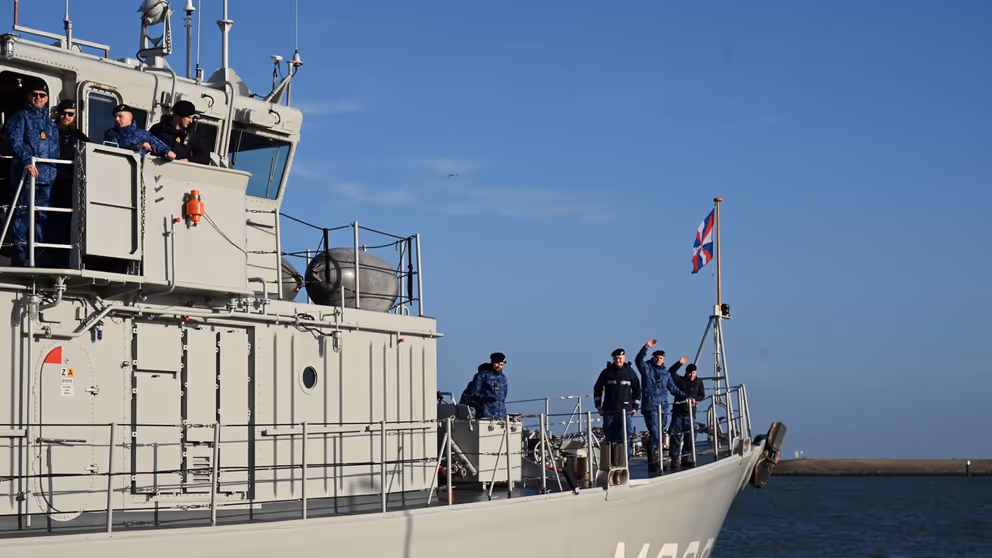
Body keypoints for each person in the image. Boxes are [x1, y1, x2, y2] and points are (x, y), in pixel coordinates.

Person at [5, 76, 60, 266]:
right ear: (29, 97)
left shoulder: (52, 125)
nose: (38, 98)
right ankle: (19, 256)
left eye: (42, 95)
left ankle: (39, 255)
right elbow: (14, 142)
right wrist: (27, 162)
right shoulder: (20, 117)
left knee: (42, 218)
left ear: (46, 98)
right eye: (34, 94)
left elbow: (56, 150)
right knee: (22, 215)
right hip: (27, 175)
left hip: (47, 178)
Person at [634, 339, 688, 476]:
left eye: (661, 358)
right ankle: (652, 462)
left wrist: (687, 398)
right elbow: (638, 360)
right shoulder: (646, 369)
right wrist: (646, 347)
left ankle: (656, 459)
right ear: (653, 358)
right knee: (655, 433)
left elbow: (674, 389)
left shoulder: (666, 373)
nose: (659, 360)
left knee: (660, 433)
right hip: (651, 407)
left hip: (663, 408)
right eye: (657, 357)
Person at [51, 99, 88, 263]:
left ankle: (64, 256)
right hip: (49, 182)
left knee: (67, 222)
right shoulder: (49, 132)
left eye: (70, 114)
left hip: (69, 185)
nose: (66, 117)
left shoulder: (80, 137)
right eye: (63, 113)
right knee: (47, 219)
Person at [593, 348, 641, 465]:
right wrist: (598, 406)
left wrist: (635, 406)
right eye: (615, 359)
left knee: (625, 440)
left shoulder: (630, 373)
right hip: (609, 412)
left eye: (620, 358)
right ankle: (612, 464)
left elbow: (637, 390)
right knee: (610, 439)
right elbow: (597, 389)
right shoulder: (606, 372)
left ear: (624, 358)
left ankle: (625, 465)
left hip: (625, 412)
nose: (618, 360)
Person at [103, 104, 176, 160]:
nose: (117, 119)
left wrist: (167, 152)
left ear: (130, 117)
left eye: (120, 116)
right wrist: (138, 147)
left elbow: (157, 144)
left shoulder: (143, 134)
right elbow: (115, 149)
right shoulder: (111, 134)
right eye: (115, 117)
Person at [149, 100, 211, 164]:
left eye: (192, 118)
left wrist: (188, 160)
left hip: (180, 171)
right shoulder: (158, 129)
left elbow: (204, 159)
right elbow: (145, 143)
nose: (191, 121)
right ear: (178, 116)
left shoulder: (192, 136)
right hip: (156, 167)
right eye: (188, 117)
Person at [669, 363, 705, 471]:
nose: (691, 375)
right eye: (689, 373)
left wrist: (695, 399)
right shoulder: (681, 381)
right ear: (686, 372)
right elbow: (671, 371)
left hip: (690, 414)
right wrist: (679, 363)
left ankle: (685, 457)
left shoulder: (699, 382)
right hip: (678, 413)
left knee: (691, 435)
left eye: (693, 373)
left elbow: (702, 395)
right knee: (675, 435)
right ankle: (674, 459)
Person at [458, 352, 508, 419]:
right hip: (485, 415)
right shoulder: (481, 376)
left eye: (501, 364)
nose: (499, 366)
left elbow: (504, 395)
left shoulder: (503, 378)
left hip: (500, 416)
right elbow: (474, 393)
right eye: (497, 363)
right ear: (492, 362)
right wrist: (486, 398)